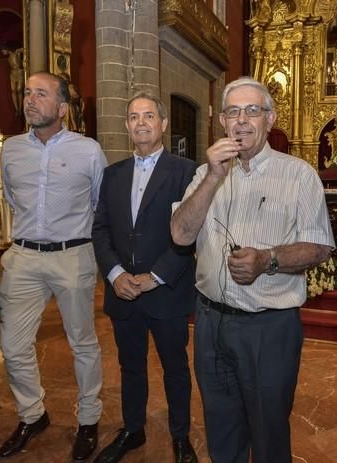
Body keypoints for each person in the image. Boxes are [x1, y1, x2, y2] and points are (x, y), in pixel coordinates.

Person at [170, 76, 335, 463]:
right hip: (210, 322)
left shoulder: (298, 175)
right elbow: (179, 234)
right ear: (222, 122)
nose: (242, 120)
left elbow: (319, 246)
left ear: (270, 119)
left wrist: (268, 259)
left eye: (252, 111)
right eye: (233, 112)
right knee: (221, 427)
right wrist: (213, 176)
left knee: (268, 432)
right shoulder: (204, 174)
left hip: (268, 328)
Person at [0, 71, 107, 461]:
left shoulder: (88, 150)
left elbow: (100, 204)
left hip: (73, 255)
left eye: (40, 94)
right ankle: (32, 414)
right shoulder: (10, 149)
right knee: (12, 346)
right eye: (27, 92)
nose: (30, 99)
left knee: (83, 343)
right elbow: (11, 197)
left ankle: (89, 420)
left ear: (61, 107)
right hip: (23, 257)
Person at [91, 90, 198, 463]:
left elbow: (190, 233)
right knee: (130, 366)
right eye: (134, 117)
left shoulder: (187, 172)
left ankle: (181, 437)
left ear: (163, 124)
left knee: (175, 368)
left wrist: (156, 276)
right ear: (126, 126)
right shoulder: (112, 174)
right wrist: (116, 273)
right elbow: (100, 229)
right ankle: (133, 430)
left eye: (148, 116)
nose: (141, 123)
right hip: (123, 292)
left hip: (165, 291)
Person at [2, 48, 24, 115]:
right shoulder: (9, 57)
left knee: (19, 90)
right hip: (12, 73)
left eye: (3, 50)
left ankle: (20, 108)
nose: (3, 52)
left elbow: (24, 49)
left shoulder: (17, 52)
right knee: (13, 90)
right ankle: (17, 109)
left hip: (19, 72)